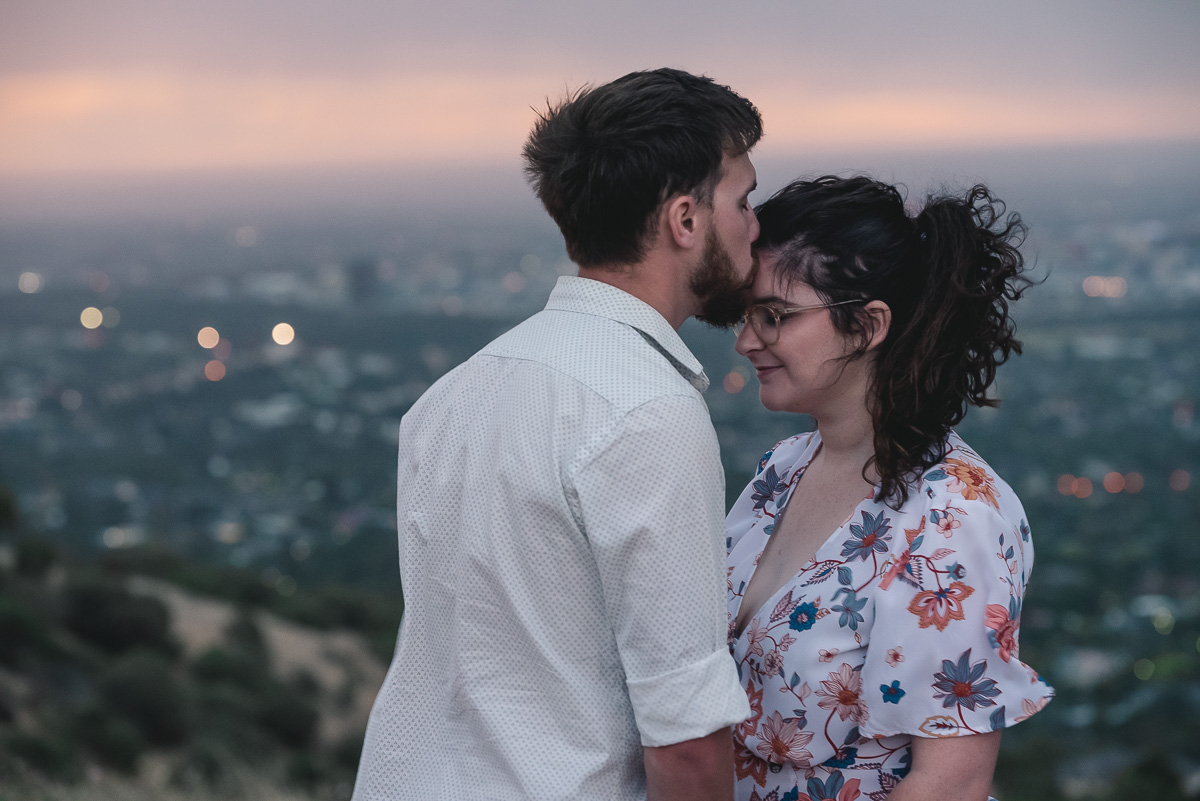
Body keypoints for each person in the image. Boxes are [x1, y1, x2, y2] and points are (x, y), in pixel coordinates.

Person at [353, 68, 761, 801]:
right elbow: (688, 742)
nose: (756, 227)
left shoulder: (453, 394)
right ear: (685, 220)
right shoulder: (649, 410)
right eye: (745, 198)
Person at [725, 176, 1055, 801]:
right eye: (747, 315)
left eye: (774, 315)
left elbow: (949, 785)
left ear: (869, 324)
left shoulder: (955, 515)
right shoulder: (781, 470)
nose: (746, 340)